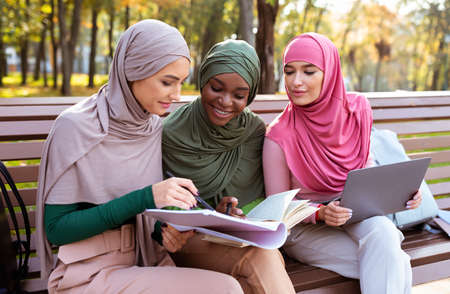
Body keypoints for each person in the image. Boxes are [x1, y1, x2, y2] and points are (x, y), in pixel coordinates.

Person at [35, 20, 243, 294]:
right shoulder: (74, 126)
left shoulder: (150, 127)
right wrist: (147, 197)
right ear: (133, 71)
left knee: (236, 284)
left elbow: (143, 217)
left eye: (181, 82)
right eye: (167, 82)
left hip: (143, 260)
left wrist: (168, 234)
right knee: (224, 290)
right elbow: (57, 230)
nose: (177, 95)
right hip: (87, 273)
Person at [263, 33, 422, 294]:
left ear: (330, 73)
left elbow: (366, 167)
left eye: (309, 72)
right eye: (289, 72)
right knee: (394, 261)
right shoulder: (279, 135)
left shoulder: (357, 110)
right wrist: (321, 213)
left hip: (355, 211)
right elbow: (278, 209)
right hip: (305, 229)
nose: (296, 82)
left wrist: (402, 194)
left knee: (384, 234)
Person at [161, 39, 296, 294]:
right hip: (187, 243)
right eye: (216, 88)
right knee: (259, 258)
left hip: (242, 242)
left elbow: (259, 199)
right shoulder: (173, 133)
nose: (225, 101)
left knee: (247, 279)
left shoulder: (253, 131)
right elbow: (164, 206)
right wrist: (208, 216)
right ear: (204, 80)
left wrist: (233, 214)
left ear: (250, 95)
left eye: (239, 95)